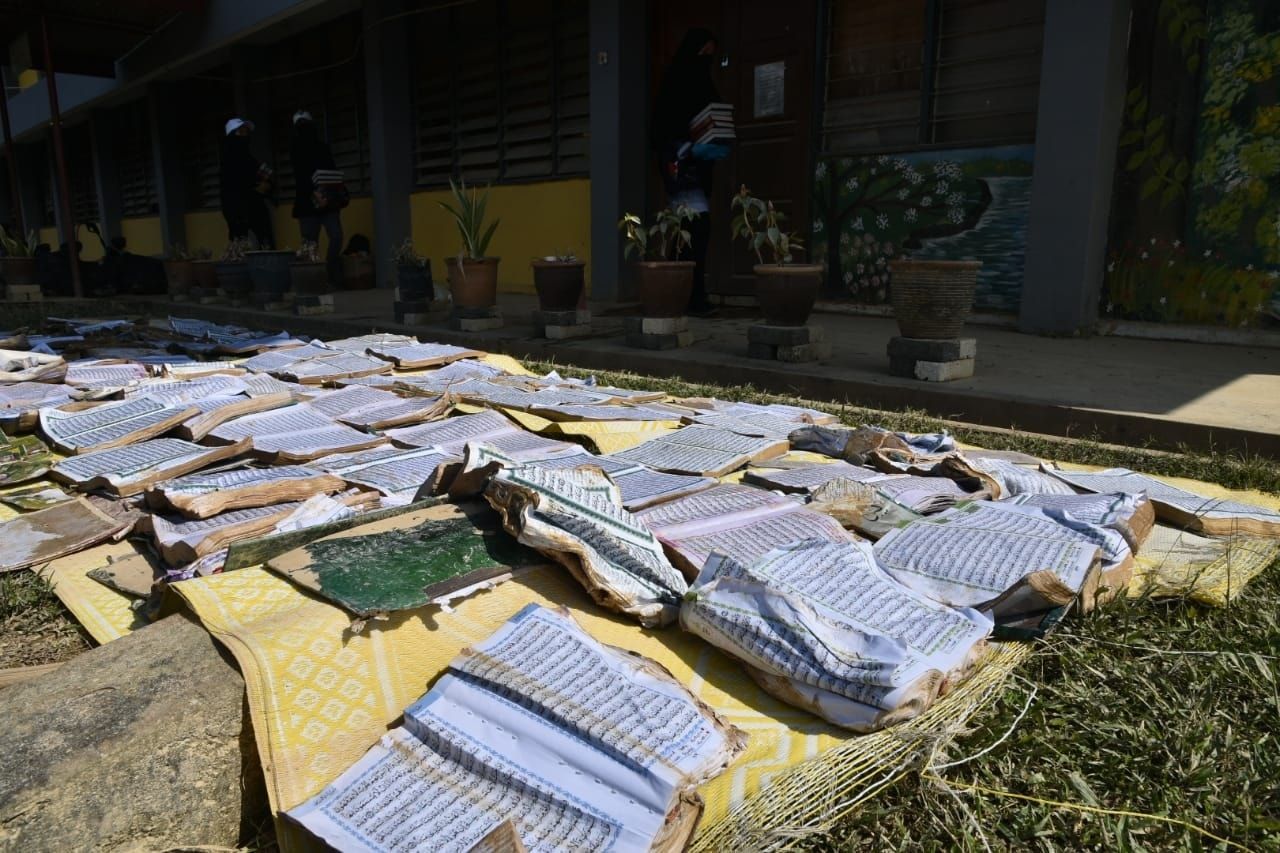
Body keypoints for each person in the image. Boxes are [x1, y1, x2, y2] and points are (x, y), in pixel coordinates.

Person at [653, 27, 727, 317]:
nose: (707, 60)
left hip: (698, 168)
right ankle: (688, 297)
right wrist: (685, 148)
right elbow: (662, 129)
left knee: (691, 234)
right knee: (693, 230)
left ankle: (682, 295)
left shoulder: (702, 83)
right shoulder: (675, 83)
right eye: (704, 54)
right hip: (680, 167)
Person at [290, 110, 344, 287]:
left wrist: (327, 195)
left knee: (335, 236)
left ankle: (330, 272)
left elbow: (332, 172)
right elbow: (301, 177)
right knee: (310, 244)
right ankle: (314, 282)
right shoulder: (296, 149)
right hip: (307, 204)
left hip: (328, 201)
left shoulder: (322, 147)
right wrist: (315, 194)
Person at [219, 117, 274, 248]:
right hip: (236, 210)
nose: (245, 136)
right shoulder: (227, 161)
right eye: (241, 132)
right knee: (241, 246)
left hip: (256, 207)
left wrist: (267, 186)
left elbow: (267, 177)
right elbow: (231, 188)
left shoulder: (251, 160)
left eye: (246, 132)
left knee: (265, 243)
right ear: (231, 136)